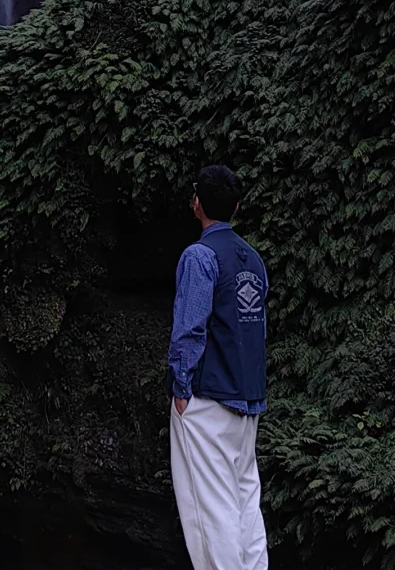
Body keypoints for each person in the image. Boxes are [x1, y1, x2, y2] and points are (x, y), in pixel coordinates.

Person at [167, 164, 269, 570]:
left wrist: (180, 389)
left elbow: (189, 329)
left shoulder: (200, 256)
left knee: (212, 511)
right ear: (237, 207)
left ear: (197, 203)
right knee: (246, 503)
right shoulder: (253, 259)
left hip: (207, 399)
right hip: (247, 397)